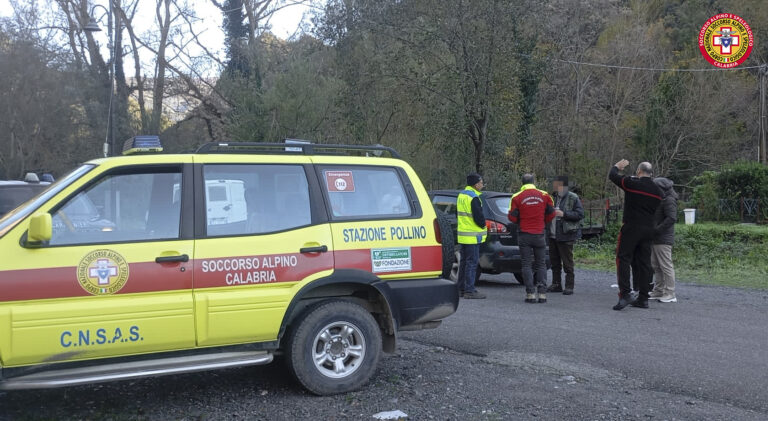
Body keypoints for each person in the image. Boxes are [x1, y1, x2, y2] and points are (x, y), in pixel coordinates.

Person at [609, 160, 663, 310]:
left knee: (623, 258)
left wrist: (617, 167)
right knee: (645, 263)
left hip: (632, 226)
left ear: (639, 171)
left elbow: (613, 176)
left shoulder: (632, 183)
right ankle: (643, 298)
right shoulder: (658, 191)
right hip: (649, 229)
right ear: (651, 173)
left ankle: (625, 293)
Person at [508, 174, 556, 303]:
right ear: (534, 182)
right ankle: (542, 294)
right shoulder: (545, 195)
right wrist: (543, 222)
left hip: (524, 234)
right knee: (541, 264)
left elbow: (512, 217)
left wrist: (520, 220)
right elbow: (552, 213)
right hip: (539, 233)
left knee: (526, 264)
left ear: (522, 183)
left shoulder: (516, 197)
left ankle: (530, 294)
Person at [546, 176, 584, 295]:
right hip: (552, 235)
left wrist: (564, 214)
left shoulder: (573, 197)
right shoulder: (553, 197)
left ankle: (569, 286)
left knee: (567, 262)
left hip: (566, 235)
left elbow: (580, 214)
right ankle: (556, 284)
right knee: (554, 262)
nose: (555, 186)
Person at [456, 173, 488, 299]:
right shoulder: (474, 197)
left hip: (463, 235)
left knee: (464, 263)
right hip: (472, 236)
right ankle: (470, 290)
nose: (482, 184)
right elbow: (478, 217)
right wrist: (483, 226)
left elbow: (457, 214)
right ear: (476, 184)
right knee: (472, 263)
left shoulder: (462, 195)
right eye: (481, 182)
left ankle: (461, 289)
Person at [650, 177, 678, 303]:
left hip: (663, 238)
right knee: (656, 265)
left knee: (666, 266)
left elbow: (671, 218)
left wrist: (657, 229)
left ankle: (670, 293)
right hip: (656, 237)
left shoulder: (669, 200)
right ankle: (658, 290)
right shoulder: (661, 199)